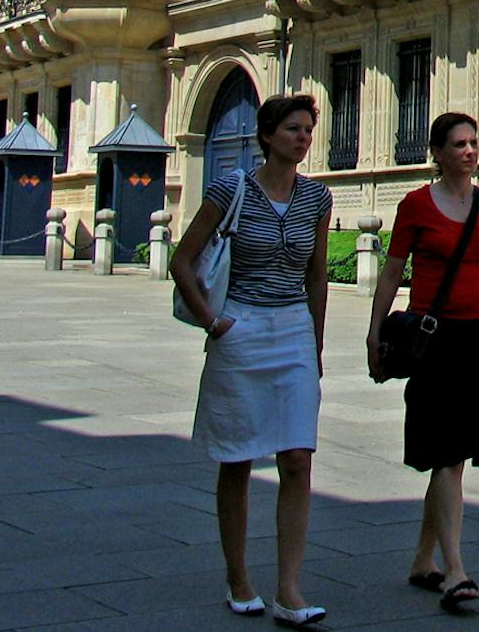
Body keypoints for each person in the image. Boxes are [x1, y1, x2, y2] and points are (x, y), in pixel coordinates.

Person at [367, 113, 479, 615]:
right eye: (459, 144)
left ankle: (424, 561)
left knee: (455, 457)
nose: (469, 151)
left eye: (474, 143)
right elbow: (391, 273)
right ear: (437, 153)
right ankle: (456, 571)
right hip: (433, 338)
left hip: (477, 338)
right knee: (448, 456)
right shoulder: (415, 205)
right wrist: (374, 331)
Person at [171, 94, 333, 628]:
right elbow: (182, 260)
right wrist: (214, 323)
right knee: (237, 457)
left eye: (308, 129)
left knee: (297, 459)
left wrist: (316, 343)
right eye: (293, 129)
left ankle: (289, 587)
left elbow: (316, 274)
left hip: (292, 330)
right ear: (267, 136)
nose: (303, 137)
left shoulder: (317, 198)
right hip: (241, 326)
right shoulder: (230, 188)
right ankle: (238, 576)